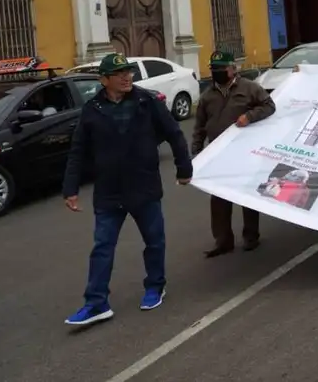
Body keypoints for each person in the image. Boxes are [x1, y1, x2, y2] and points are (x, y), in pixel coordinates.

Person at [61, 53, 192, 326]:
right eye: (119, 73)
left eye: (128, 72)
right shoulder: (93, 109)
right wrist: (70, 188)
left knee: (154, 241)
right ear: (104, 80)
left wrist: (184, 169)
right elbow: (78, 150)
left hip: (144, 186)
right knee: (102, 248)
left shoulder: (147, 102)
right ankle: (96, 303)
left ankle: (155, 286)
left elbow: (174, 133)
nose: (126, 77)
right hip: (109, 192)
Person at [193, 51, 276, 258]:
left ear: (233, 68)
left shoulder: (249, 88)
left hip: (244, 152)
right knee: (219, 198)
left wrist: (250, 116)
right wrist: (197, 152)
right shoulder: (207, 95)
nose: (217, 72)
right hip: (218, 154)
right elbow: (199, 126)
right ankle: (223, 241)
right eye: (214, 69)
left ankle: (251, 236)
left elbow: (269, 106)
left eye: (222, 68)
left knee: (247, 195)